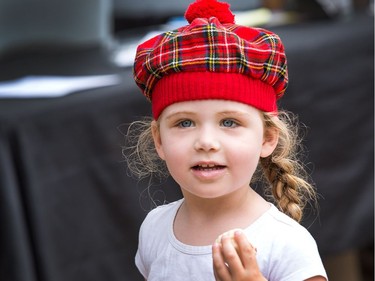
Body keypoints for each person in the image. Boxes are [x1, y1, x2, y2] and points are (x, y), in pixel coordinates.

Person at [125, 0, 328, 280]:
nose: (206, 142)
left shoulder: (286, 245)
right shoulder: (154, 228)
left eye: (229, 122)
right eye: (185, 123)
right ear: (159, 141)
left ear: (267, 138)